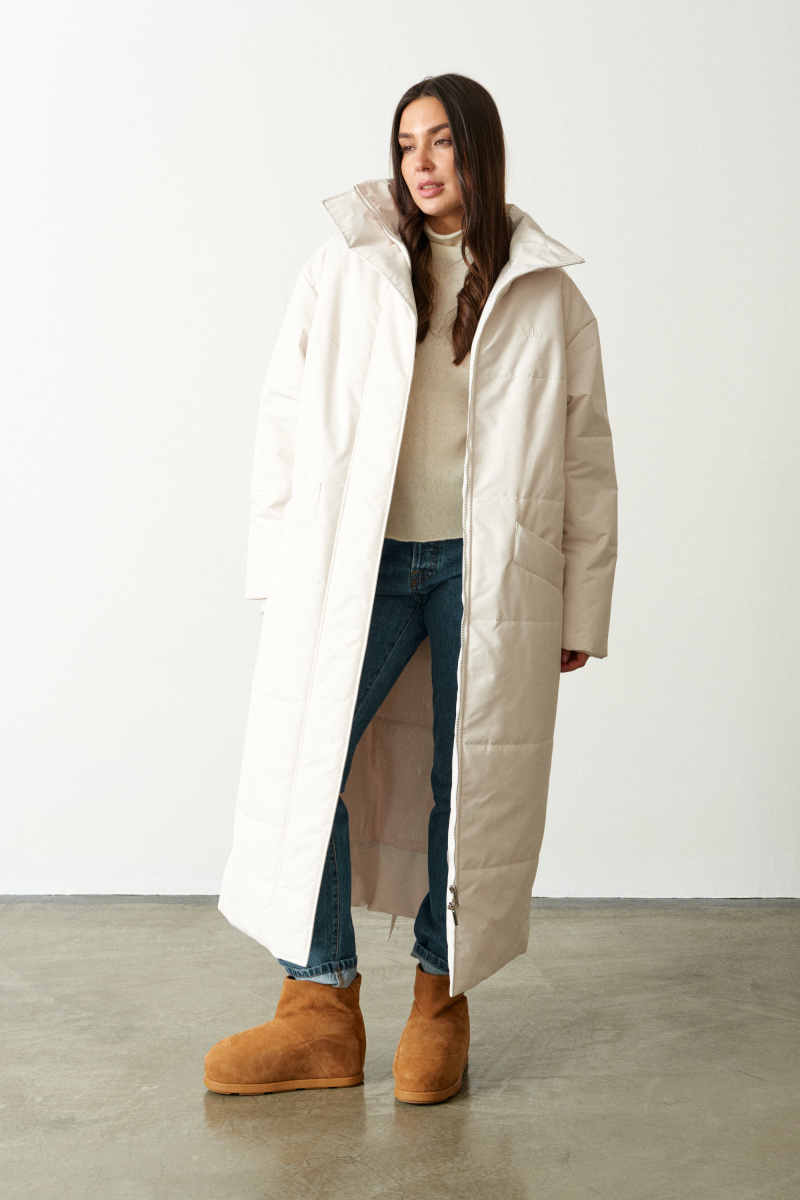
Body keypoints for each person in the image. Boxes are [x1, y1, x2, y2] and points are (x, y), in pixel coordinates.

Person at [205, 73, 618, 1105]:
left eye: (439, 142)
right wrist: (279, 566)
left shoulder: (548, 297)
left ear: (479, 151)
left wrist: (580, 605)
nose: (420, 163)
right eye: (404, 144)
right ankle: (319, 1005)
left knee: (463, 787)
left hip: (488, 568)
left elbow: (584, 461)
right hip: (364, 562)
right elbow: (284, 418)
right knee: (309, 763)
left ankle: (439, 1002)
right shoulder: (344, 268)